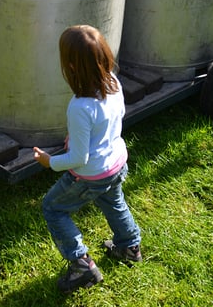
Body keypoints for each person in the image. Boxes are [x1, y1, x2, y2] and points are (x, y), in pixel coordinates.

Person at [33, 25, 142, 295]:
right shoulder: (114, 83)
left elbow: (79, 158)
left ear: (70, 65)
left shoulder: (80, 107)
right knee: (113, 202)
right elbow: (119, 117)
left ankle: (81, 264)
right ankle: (130, 247)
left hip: (91, 174)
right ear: (104, 57)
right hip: (115, 163)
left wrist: (50, 162)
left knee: (53, 209)